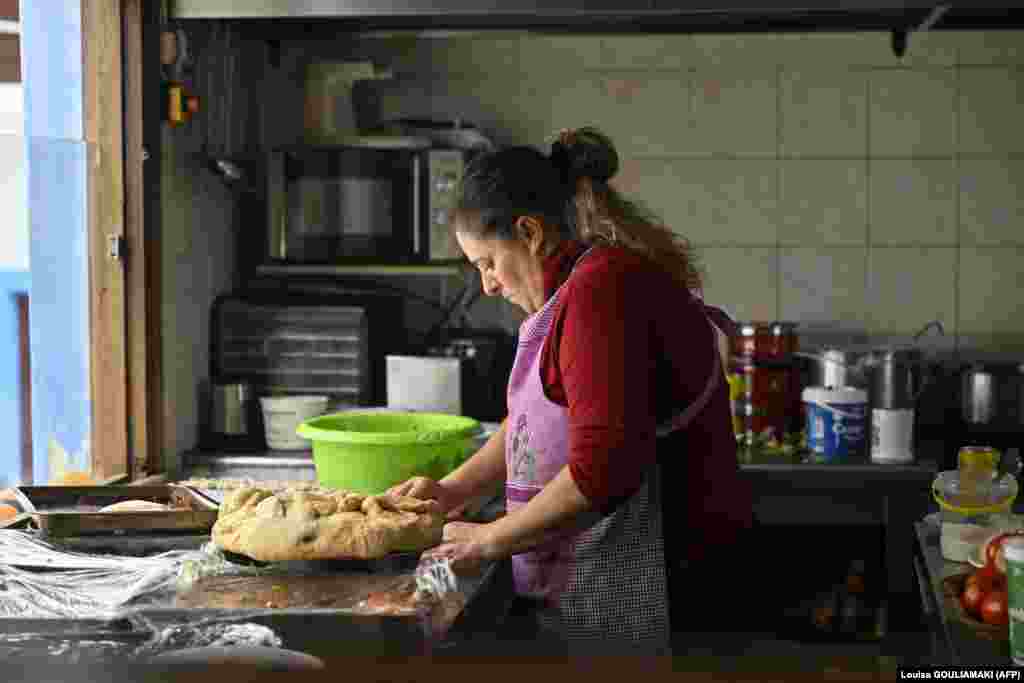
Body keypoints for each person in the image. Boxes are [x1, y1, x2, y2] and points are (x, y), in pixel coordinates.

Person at [388, 127, 754, 655]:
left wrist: (490, 539)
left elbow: (604, 468)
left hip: (663, 585)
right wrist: (452, 492)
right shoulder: (576, 289)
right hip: (604, 582)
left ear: (530, 232)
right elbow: (536, 422)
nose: (488, 285)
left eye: (488, 263)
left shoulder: (600, 293)